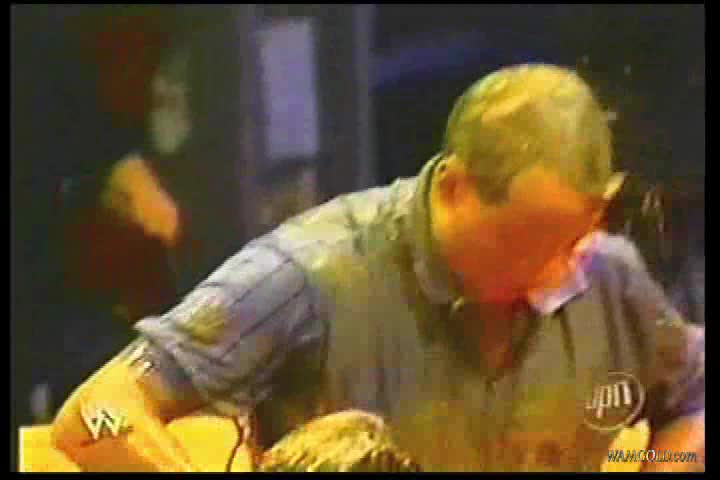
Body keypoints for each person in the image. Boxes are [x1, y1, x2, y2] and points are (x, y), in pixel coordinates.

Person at [50, 64, 704, 472]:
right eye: (530, 242)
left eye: (576, 238)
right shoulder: (311, 275)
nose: (560, 272)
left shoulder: (609, 277)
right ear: (456, 188)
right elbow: (100, 413)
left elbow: (694, 400)